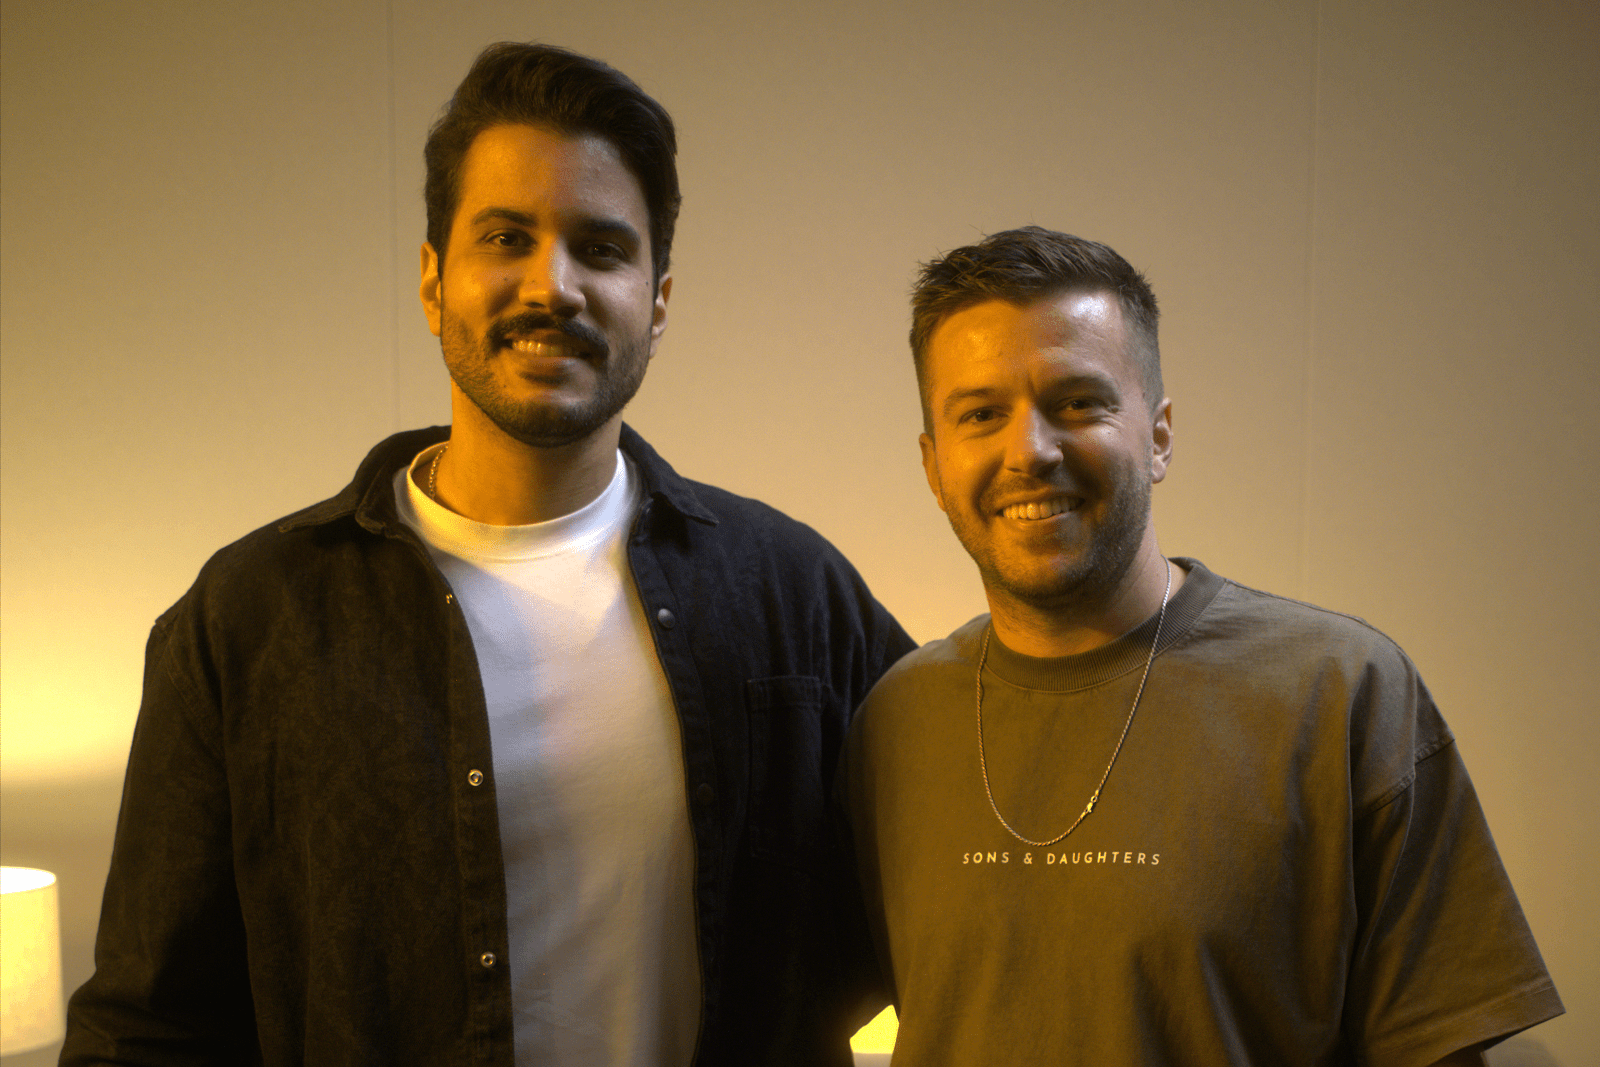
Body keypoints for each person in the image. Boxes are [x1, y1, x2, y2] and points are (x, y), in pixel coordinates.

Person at [63, 43, 912, 1067]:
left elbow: (958, 871)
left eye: (601, 249)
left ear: (657, 301)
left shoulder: (792, 592)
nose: (553, 285)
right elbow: (147, 1027)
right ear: (434, 282)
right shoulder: (249, 620)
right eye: (507, 238)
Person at [841, 226, 1563, 1065]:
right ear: (933, 465)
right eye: (980, 414)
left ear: (1158, 436)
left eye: (1078, 402)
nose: (1030, 450)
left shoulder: (1340, 693)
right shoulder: (892, 722)